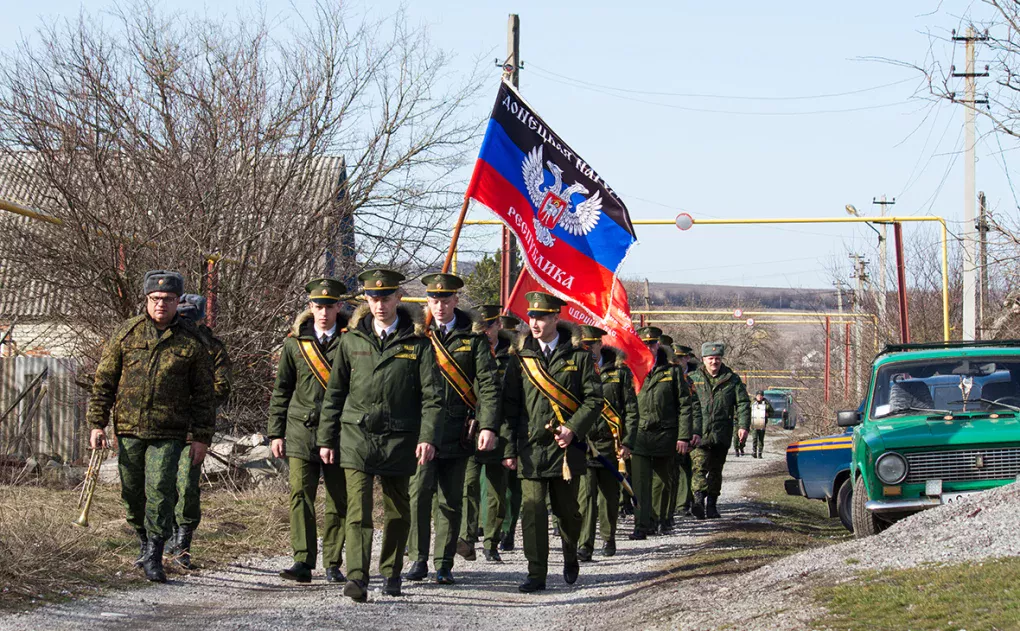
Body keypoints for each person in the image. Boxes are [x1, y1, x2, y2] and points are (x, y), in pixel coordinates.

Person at [317, 268, 444, 602]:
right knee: (357, 511)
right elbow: (334, 394)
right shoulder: (351, 339)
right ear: (366, 301)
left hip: (400, 438)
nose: (379, 305)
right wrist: (326, 439)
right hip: (356, 436)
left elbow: (433, 397)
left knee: (398, 511)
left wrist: (427, 437)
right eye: (373, 298)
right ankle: (357, 577)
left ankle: (391, 571)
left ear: (399, 298)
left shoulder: (418, 343)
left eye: (385, 297)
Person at [87, 270, 215, 583]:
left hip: (169, 432)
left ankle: (156, 553)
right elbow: (104, 380)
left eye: (168, 299)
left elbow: (204, 394)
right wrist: (97, 423)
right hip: (129, 428)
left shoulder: (192, 341)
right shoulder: (127, 333)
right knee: (131, 493)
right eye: (155, 299)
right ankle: (144, 541)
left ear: (177, 302)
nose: (161, 304)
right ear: (146, 300)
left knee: (160, 490)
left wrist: (201, 437)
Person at [503, 292, 601, 593]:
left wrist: (573, 429)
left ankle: (571, 554)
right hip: (531, 448)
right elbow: (510, 406)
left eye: (542, 317)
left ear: (556, 318)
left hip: (566, 450)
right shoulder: (520, 358)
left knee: (568, 512)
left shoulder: (579, 356)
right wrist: (509, 449)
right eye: (532, 317)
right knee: (532, 513)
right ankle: (536, 573)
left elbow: (594, 399)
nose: (535, 322)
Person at [405, 274, 500, 585]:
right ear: (427, 301)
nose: (440, 305)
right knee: (419, 493)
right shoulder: (417, 336)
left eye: (446, 299)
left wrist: (487, 425)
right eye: (434, 299)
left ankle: (444, 563)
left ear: (457, 300)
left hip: (459, 429)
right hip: (422, 429)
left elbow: (487, 385)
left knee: (450, 499)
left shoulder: (473, 338)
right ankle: (418, 557)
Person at [267, 278, 349, 584]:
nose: (324, 312)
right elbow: (282, 390)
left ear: (339, 306)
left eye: (329, 306)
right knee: (300, 495)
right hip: (300, 431)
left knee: (338, 499)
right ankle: (302, 560)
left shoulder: (350, 340)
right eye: (318, 306)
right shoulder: (295, 343)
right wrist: (276, 432)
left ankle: (332, 561)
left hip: (339, 432)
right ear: (310, 307)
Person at [168, 294, 232, 570]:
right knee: (157, 486)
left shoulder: (212, 348)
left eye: (188, 317)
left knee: (186, 486)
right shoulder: (164, 341)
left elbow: (222, 387)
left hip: (193, 429)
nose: (183, 322)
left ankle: (182, 546)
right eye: (180, 316)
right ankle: (159, 542)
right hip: (160, 426)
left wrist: (195, 400)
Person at [629, 327, 700, 539]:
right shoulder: (632, 368)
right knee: (640, 483)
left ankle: (661, 519)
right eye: (644, 344)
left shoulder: (672, 370)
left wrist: (683, 436)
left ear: (658, 345)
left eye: (652, 344)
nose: (648, 348)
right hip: (639, 435)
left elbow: (685, 405)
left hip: (666, 434)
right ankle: (642, 525)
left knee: (662, 481)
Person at [577, 326, 637, 560]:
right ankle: (585, 544)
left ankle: (608, 537)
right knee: (585, 496)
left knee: (609, 496)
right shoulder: (578, 369)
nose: (589, 349)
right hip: (584, 441)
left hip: (611, 444)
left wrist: (628, 441)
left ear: (600, 344)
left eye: (592, 345)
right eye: (585, 345)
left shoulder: (619, 372)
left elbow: (631, 410)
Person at [459, 305, 513, 563]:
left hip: (500, 431)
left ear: (498, 326)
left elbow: (514, 403)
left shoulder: (512, 358)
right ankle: (467, 539)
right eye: (481, 327)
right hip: (469, 430)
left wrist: (511, 442)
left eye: (489, 326)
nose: (485, 331)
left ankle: (491, 543)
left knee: (495, 491)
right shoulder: (469, 350)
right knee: (467, 486)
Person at [688, 342, 751, 519]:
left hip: (721, 432)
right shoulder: (693, 378)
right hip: (698, 432)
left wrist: (743, 426)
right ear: (703, 360)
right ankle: (699, 501)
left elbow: (743, 404)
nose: (714, 362)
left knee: (716, 470)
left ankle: (712, 505)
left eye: (717, 358)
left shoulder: (732, 379)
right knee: (698, 466)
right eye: (710, 358)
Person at [498, 313, 524, 552]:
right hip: (486, 427)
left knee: (512, 487)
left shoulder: (518, 359)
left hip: (515, 426)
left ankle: (508, 530)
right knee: (486, 487)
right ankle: (488, 530)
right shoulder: (483, 352)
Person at [671, 343, 698, 517]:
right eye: (675, 358)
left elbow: (694, 408)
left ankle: (681, 504)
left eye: (681, 358)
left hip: (682, 428)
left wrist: (693, 431)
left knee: (682, 466)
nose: (678, 361)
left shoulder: (689, 380)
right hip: (664, 428)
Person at [750, 391, 775, 459]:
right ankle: (754, 452)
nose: (759, 397)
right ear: (756, 396)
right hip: (754, 423)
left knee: (761, 439)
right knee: (754, 438)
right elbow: (748, 411)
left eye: (761, 395)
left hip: (762, 423)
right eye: (758, 395)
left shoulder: (766, 403)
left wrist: (768, 414)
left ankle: (760, 453)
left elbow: (772, 412)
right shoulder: (752, 403)